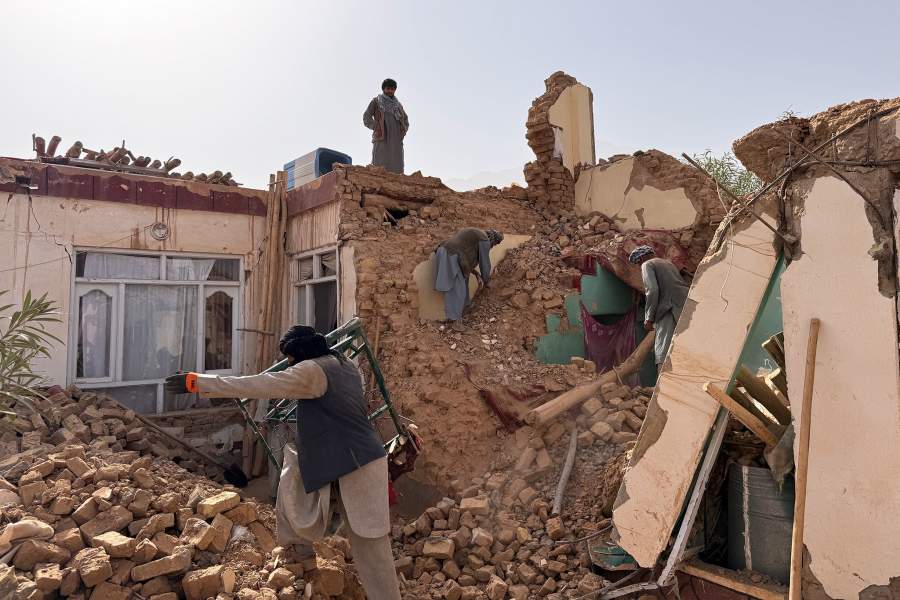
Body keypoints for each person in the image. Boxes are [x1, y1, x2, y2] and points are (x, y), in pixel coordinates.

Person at [164, 326, 401, 600]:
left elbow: (256, 384)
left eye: (289, 358)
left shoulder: (311, 372)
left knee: (371, 546)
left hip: (360, 466)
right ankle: (299, 549)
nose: (288, 363)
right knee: (293, 470)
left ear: (299, 354)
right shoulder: (343, 362)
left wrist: (198, 382)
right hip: (343, 459)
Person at [628, 245, 689, 367]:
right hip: (685, 306)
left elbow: (652, 290)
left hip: (668, 308)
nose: (639, 267)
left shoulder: (647, 265)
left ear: (640, 259)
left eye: (637, 264)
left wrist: (648, 318)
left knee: (662, 350)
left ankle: (661, 385)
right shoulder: (668, 264)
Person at [434, 228, 504, 322]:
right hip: (452, 255)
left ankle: (464, 309)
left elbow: (465, 252)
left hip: (444, 251)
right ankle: (454, 320)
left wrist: (475, 273)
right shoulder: (484, 240)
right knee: (458, 288)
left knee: (462, 282)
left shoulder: (476, 233)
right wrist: (486, 281)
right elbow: (485, 264)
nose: (493, 246)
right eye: (496, 243)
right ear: (494, 239)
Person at [363, 78, 409, 174]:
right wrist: (376, 126)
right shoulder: (376, 101)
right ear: (383, 89)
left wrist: (402, 131)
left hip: (396, 140)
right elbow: (366, 117)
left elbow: (405, 120)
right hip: (382, 137)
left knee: (397, 168)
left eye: (392, 89)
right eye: (388, 89)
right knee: (379, 166)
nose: (390, 91)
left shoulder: (398, 105)